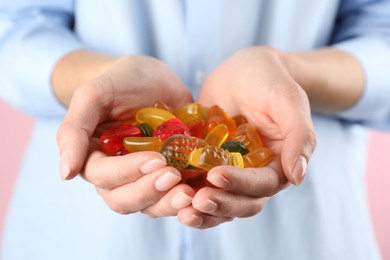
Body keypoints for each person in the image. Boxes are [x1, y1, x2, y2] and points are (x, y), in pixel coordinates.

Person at [1, 0, 389, 259]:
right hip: (77, 237)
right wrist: (95, 79)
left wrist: (293, 72)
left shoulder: (219, 133)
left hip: (305, 235)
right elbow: (15, 27)